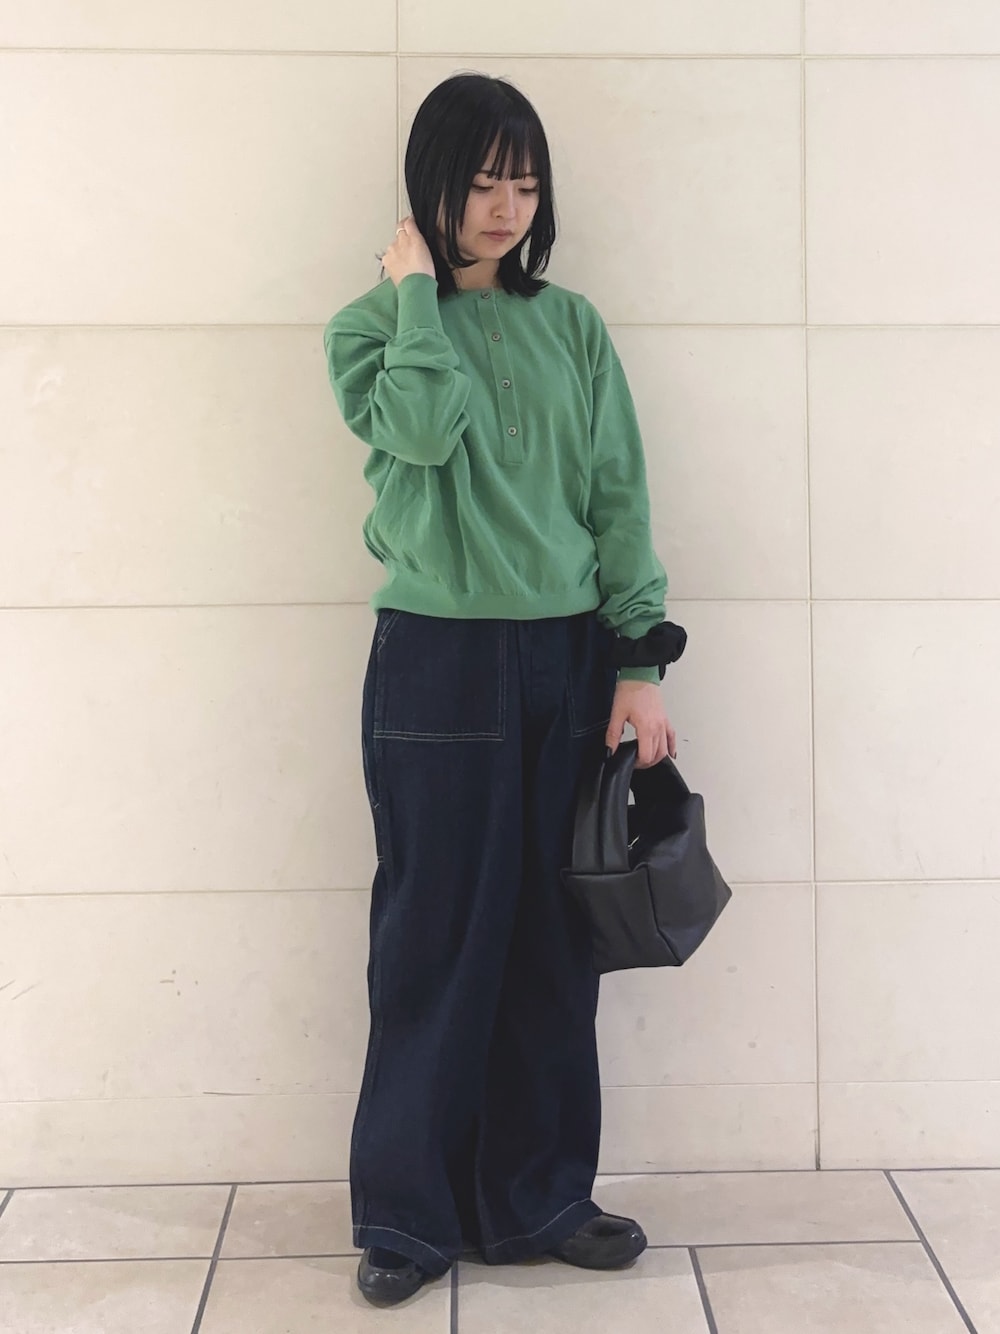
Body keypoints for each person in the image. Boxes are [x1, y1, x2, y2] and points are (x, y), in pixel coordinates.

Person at [323, 72, 678, 1308]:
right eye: (481, 182)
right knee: (432, 938)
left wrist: (637, 661)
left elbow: (617, 494)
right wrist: (416, 295)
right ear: (432, 185)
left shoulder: (571, 325)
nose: (505, 206)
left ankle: (539, 1197)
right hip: (437, 658)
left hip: (567, 658)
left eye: (523, 183)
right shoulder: (370, 327)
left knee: (550, 941)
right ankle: (408, 1218)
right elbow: (421, 434)